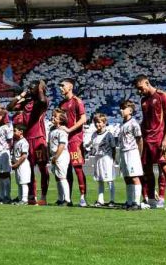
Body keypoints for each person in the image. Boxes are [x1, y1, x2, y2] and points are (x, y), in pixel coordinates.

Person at [134, 74, 166, 211]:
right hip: (147, 140)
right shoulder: (143, 100)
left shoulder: (162, 96)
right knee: (147, 171)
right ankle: (152, 201)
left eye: (141, 88)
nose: (139, 91)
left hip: (160, 140)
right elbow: (145, 120)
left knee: (165, 169)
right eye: (138, 89)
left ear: (147, 83)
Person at [7, 80, 49, 205]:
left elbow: (42, 101)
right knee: (28, 169)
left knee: (42, 168)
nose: (29, 89)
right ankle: (32, 196)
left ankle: (43, 196)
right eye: (28, 87)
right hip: (27, 139)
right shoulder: (26, 102)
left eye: (32, 87)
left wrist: (40, 89)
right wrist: (22, 95)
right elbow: (9, 107)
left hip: (39, 138)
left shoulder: (42, 101)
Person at [58, 78, 88, 207]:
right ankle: (67, 198)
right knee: (66, 170)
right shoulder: (62, 104)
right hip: (64, 140)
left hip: (75, 139)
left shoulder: (77, 101)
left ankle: (82, 197)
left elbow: (83, 119)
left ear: (70, 87)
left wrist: (70, 130)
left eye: (62, 86)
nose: (60, 88)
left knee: (77, 168)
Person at [118, 100, 145, 211]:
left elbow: (139, 139)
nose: (121, 110)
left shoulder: (134, 123)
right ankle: (129, 201)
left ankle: (136, 202)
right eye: (120, 108)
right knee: (127, 178)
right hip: (123, 152)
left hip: (132, 152)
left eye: (123, 108)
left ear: (130, 110)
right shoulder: (122, 124)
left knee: (134, 177)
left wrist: (139, 154)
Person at [87, 112, 116, 207]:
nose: (97, 124)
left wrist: (113, 159)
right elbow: (93, 146)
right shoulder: (94, 134)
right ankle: (100, 200)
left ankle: (112, 200)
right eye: (95, 122)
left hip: (106, 159)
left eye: (99, 122)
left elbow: (113, 148)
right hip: (98, 159)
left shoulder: (109, 135)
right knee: (100, 180)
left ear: (104, 123)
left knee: (109, 180)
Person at [48, 109, 71, 206]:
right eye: (52, 116)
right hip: (54, 155)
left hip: (61, 155)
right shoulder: (52, 130)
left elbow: (62, 145)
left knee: (62, 177)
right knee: (57, 177)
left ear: (61, 120)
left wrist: (56, 157)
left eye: (55, 117)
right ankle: (60, 198)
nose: (53, 118)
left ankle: (67, 199)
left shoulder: (62, 131)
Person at [0, 108, 13, 204]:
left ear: (2, 116)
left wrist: (7, 152)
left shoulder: (7, 127)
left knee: (5, 174)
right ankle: (1, 195)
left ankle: (7, 196)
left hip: (3, 152)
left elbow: (10, 141)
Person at [11, 124, 30, 205]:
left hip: (22, 164)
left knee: (23, 182)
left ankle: (24, 199)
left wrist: (16, 164)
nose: (13, 132)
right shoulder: (16, 142)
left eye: (15, 131)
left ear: (21, 132)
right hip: (17, 164)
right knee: (19, 182)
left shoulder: (24, 142)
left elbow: (24, 155)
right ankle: (20, 198)